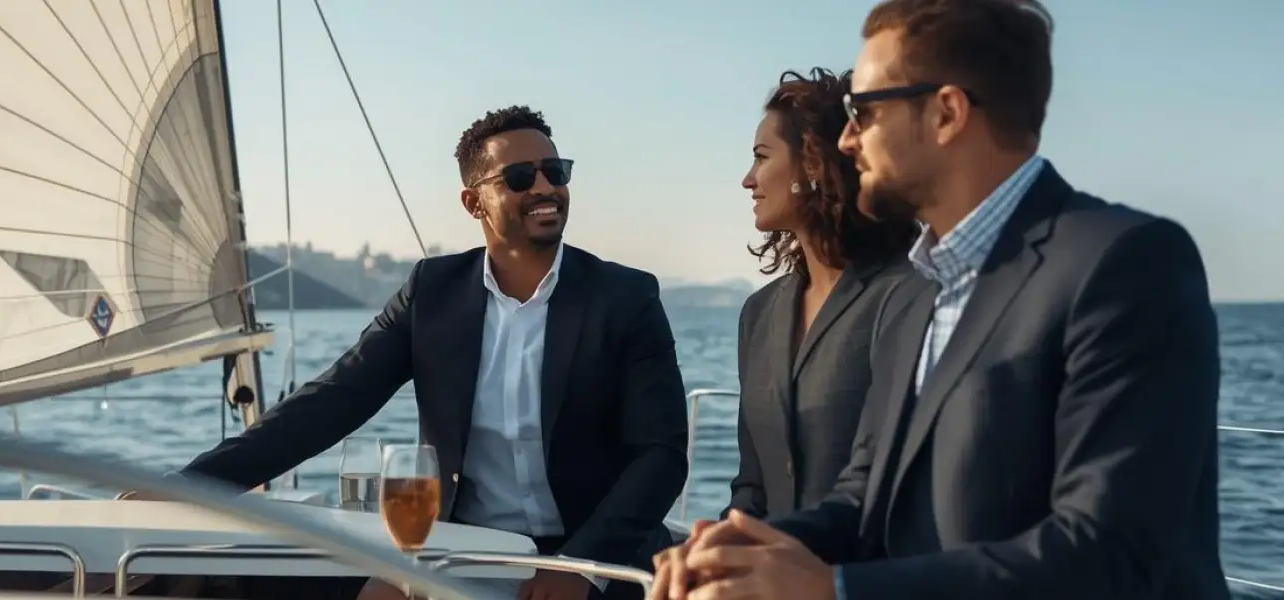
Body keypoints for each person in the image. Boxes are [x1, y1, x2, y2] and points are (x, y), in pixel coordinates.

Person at [652, 1, 1228, 599]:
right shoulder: (920, 292)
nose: (846, 140)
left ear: (947, 113)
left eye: (863, 112)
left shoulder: (1125, 263)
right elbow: (862, 499)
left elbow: (1107, 551)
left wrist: (835, 590)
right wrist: (734, 554)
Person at [170, 106, 688, 600]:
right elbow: (334, 400)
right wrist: (191, 487)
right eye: (520, 177)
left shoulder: (624, 297)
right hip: (462, 550)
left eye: (555, 171)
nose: (545, 187)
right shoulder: (432, 292)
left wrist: (581, 569)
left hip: (597, 558)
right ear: (473, 202)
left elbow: (661, 455)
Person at [728, 68, 916, 521]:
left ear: (813, 162)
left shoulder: (905, 296)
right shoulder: (760, 313)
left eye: (761, 157)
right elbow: (752, 484)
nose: (748, 180)